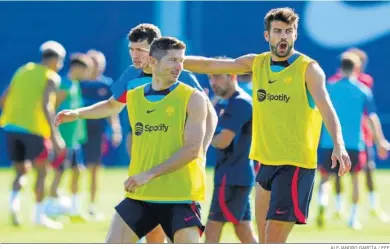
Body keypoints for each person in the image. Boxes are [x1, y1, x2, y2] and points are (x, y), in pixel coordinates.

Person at [183, 7, 352, 243]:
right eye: (278, 31)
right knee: (263, 241)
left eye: (288, 31)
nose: (283, 36)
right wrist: (171, 61)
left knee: (272, 241)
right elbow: (212, 65)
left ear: (295, 35)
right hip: (264, 164)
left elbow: (326, 107)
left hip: (295, 165)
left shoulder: (308, 69)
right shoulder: (257, 63)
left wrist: (339, 144)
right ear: (267, 36)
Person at [55, 23, 218, 243]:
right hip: (145, 172)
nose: (135, 55)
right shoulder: (132, 77)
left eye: (140, 50)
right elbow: (112, 105)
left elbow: (210, 115)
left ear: (154, 50)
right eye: (131, 50)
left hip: (177, 179)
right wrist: (76, 113)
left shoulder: (182, 79)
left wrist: (201, 149)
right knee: (149, 233)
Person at [316, 52, 390, 230]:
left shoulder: (330, 87)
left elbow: (318, 112)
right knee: (356, 180)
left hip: (329, 142)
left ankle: (323, 203)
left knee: (325, 179)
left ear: (340, 67)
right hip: (354, 143)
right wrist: (380, 141)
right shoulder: (362, 90)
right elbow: (371, 118)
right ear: (356, 68)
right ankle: (353, 217)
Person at [0, 41, 66, 229]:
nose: (60, 65)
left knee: (21, 171)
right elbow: (47, 106)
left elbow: (4, 98)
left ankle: (14, 203)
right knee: (42, 171)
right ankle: (38, 215)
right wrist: (55, 136)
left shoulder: (23, 70)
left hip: (11, 127)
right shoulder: (51, 77)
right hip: (35, 130)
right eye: (60, 61)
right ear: (54, 60)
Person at [205, 61, 257, 243]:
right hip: (234, 176)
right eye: (210, 77)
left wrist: (198, 140)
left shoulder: (240, 103)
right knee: (243, 231)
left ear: (233, 77)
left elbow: (222, 141)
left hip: (232, 178)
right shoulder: (223, 103)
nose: (213, 82)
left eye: (218, 76)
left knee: (212, 230)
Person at [47, 53, 93, 222]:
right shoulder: (64, 85)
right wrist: (54, 135)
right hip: (63, 137)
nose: (87, 74)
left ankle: (74, 208)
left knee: (78, 171)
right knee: (59, 172)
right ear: (76, 68)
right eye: (85, 70)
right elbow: (52, 108)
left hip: (74, 139)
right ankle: (49, 205)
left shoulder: (75, 85)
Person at [80, 49, 122, 219]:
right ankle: (69, 202)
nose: (97, 67)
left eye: (100, 64)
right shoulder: (78, 83)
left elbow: (112, 109)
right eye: (94, 63)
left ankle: (91, 205)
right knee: (73, 167)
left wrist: (116, 129)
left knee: (94, 168)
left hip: (97, 132)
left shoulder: (106, 84)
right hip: (78, 130)